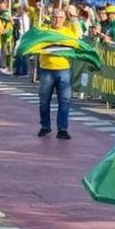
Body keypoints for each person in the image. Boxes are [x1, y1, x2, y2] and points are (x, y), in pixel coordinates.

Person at [37, 8, 76, 139]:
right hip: (46, 69)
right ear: (50, 17)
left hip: (63, 69)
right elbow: (36, 44)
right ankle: (45, 126)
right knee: (44, 101)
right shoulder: (44, 31)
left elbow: (74, 46)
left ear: (64, 19)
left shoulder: (68, 32)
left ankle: (62, 129)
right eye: (54, 16)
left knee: (65, 100)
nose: (57, 19)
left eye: (60, 17)